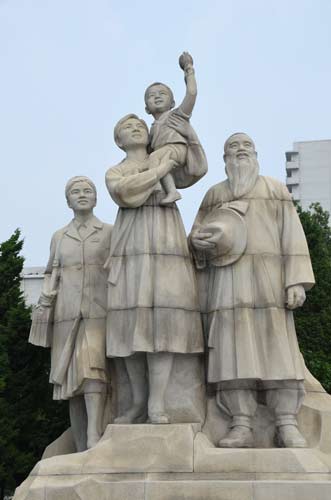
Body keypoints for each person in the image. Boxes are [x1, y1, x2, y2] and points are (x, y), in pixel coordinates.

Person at [190, 133, 315, 448]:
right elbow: (196, 235)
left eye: (246, 145)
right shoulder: (214, 195)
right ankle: (240, 423)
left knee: (278, 352)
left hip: (269, 284)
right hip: (227, 284)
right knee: (231, 353)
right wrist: (198, 243)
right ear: (225, 159)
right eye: (233, 146)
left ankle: (286, 423)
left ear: (256, 153)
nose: (240, 150)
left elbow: (293, 236)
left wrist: (296, 281)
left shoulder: (274, 189)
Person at [105, 113, 206, 424]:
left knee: (164, 323)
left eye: (139, 125)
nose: (135, 128)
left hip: (165, 238)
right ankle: (137, 402)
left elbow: (195, 170)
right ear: (119, 140)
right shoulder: (115, 171)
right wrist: (159, 172)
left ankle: (157, 404)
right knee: (131, 326)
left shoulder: (163, 154)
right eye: (127, 127)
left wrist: (187, 133)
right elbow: (126, 193)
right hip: (132, 243)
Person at [29, 176, 112, 450]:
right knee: (70, 380)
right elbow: (52, 272)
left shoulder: (109, 231)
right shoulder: (59, 236)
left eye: (88, 190)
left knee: (93, 369)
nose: (82, 195)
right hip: (66, 313)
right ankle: (80, 444)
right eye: (75, 191)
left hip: (98, 311)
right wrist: (45, 302)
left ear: (96, 197)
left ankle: (94, 436)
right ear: (68, 200)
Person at [144, 51, 207, 205]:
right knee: (159, 163)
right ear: (147, 109)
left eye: (162, 94)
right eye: (152, 96)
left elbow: (192, 93)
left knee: (155, 158)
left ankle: (160, 186)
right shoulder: (151, 129)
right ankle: (170, 190)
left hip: (177, 149)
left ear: (172, 103)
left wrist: (189, 70)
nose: (157, 96)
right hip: (164, 155)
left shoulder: (177, 115)